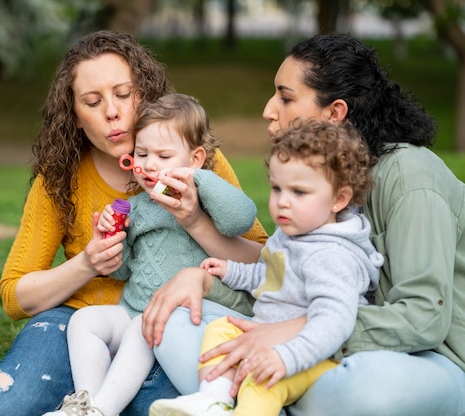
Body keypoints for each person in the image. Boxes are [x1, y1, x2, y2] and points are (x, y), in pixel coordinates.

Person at [0, 31, 268, 416]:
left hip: (175, 324)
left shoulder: (195, 162)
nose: (113, 114)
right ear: (74, 114)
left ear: (146, 94)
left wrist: (195, 221)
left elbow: (266, 264)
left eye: (124, 94)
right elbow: (14, 294)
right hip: (83, 323)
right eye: (94, 102)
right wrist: (87, 263)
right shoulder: (60, 177)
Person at [143, 33, 465, 416]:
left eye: (285, 96)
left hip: (425, 359)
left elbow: (424, 317)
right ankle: (253, 399)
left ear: (335, 112)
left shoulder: (409, 175)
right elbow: (287, 282)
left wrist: (298, 329)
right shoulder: (307, 183)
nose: (268, 110)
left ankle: (254, 396)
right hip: (320, 345)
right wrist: (207, 281)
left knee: (366, 391)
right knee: (174, 322)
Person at [149, 118, 383, 416]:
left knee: (260, 382)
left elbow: (333, 323)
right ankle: (213, 400)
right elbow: (275, 276)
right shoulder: (296, 233)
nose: (283, 202)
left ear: (339, 199)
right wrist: (234, 272)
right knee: (222, 329)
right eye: (277, 188)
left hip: (316, 355)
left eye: (299, 192)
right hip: (270, 332)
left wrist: (285, 358)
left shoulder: (331, 255)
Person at [44, 93, 257, 416]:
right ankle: (85, 402)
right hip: (135, 309)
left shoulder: (205, 199)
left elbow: (240, 218)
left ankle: (103, 409)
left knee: (140, 327)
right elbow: (122, 271)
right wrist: (112, 240)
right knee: (84, 321)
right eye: (141, 153)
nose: (149, 164)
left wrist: (198, 181)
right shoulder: (137, 208)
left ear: (195, 158)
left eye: (163, 155)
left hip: (186, 318)